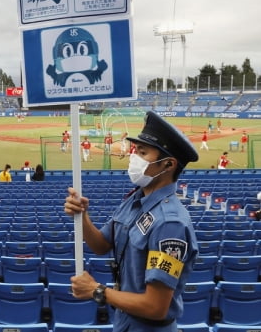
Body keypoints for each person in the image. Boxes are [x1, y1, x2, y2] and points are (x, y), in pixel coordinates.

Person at [64, 111, 199, 331]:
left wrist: (97, 290)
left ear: (168, 165)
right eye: (136, 150)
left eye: (143, 152)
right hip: (125, 321)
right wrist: (82, 215)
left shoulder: (169, 224)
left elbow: (156, 307)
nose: (133, 157)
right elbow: (101, 245)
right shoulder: (135, 199)